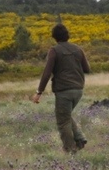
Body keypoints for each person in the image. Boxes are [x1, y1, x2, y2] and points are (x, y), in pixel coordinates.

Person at [31, 23, 90, 152]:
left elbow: (47, 73)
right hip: (78, 90)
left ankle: (70, 149)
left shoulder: (54, 50)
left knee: (63, 122)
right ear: (67, 35)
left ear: (54, 37)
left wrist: (39, 92)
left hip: (64, 91)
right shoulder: (78, 49)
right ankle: (80, 138)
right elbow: (87, 69)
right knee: (66, 115)